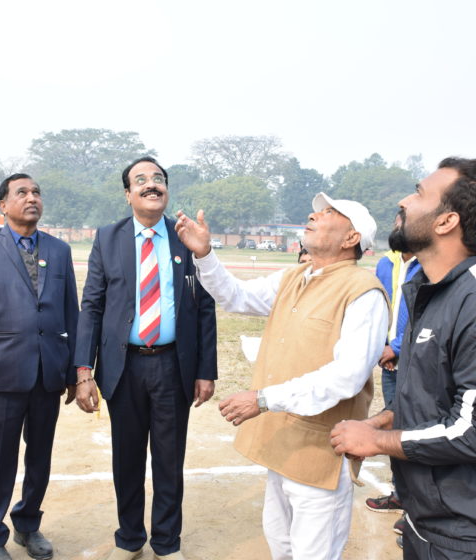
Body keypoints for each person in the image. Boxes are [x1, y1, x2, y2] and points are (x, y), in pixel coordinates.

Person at [175, 193, 389, 560]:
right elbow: (236, 297)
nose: (314, 215)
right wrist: (205, 254)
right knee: (281, 543)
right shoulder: (296, 276)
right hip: (284, 442)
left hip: (322, 450)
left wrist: (262, 399)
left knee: (313, 553)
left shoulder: (363, 292)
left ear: (351, 238)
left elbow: (346, 377)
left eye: (329, 213)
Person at [331, 158, 476, 559]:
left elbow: (471, 430)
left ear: (446, 221)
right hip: (424, 517)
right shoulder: (430, 291)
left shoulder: (471, 300)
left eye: (418, 193)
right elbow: (431, 397)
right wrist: (382, 420)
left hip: (462, 533)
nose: (404, 201)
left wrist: (376, 441)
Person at [75, 156, 217, 560]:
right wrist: (84, 370)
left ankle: (167, 544)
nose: (151, 184)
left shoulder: (186, 236)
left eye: (158, 178)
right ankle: (130, 539)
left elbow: (205, 306)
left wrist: (206, 370)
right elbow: (92, 306)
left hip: (173, 365)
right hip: (124, 366)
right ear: (128, 194)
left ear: (166, 190)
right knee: (127, 459)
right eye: (141, 180)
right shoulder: (108, 238)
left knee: (170, 460)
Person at [0, 173, 79, 560]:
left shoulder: (59, 250)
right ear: (3, 205)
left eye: (36, 192)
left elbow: (71, 311)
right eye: (22, 193)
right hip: (1, 371)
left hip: (48, 373)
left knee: (40, 458)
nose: (32, 198)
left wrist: (74, 371)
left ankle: (28, 524)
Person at [364, 213, 421, 545]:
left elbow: (422, 313)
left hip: (413, 357)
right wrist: (381, 347)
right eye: (397, 220)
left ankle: (416, 508)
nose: (398, 225)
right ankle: (402, 495)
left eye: (404, 220)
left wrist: (396, 347)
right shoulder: (386, 263)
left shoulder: (429, 264)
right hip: (389, 361)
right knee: (394, 425)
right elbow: (381, 308)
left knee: (415, 429)